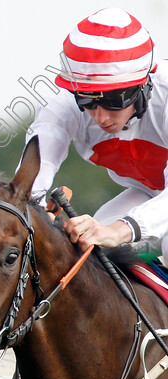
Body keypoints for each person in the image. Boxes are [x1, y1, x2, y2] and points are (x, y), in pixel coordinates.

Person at [28, 7, 168, 258]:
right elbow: (36, 170)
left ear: (144, 84)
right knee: (89, 250)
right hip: (148, 194)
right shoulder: (62, 104)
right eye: (87, 100)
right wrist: (33, 206)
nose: (100, 117)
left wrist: (118, 230)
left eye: (115, 99)